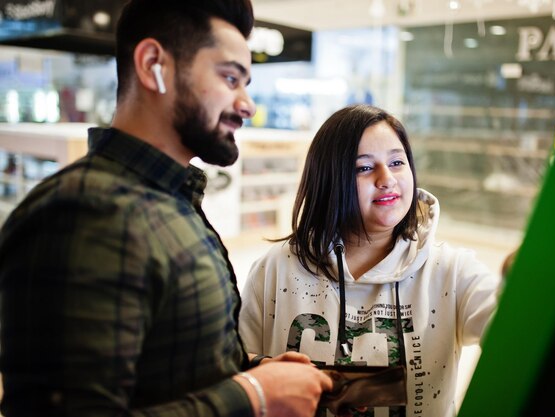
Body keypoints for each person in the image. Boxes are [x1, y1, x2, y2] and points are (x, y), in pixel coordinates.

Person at [0, 0, 332, 416]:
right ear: (154, 64)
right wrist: (253, 395)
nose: (247, 104)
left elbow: (169, 372)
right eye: (230, 78)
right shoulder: (84, 213)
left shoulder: (166, 201)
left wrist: (250, 375)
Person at [239, 104, 503, 417]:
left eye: (396, 162)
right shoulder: (277, 268)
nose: (387, 178)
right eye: (364, 168)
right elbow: (237, 361)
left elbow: (511, 327)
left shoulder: (451, 271)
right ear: (329, 179)